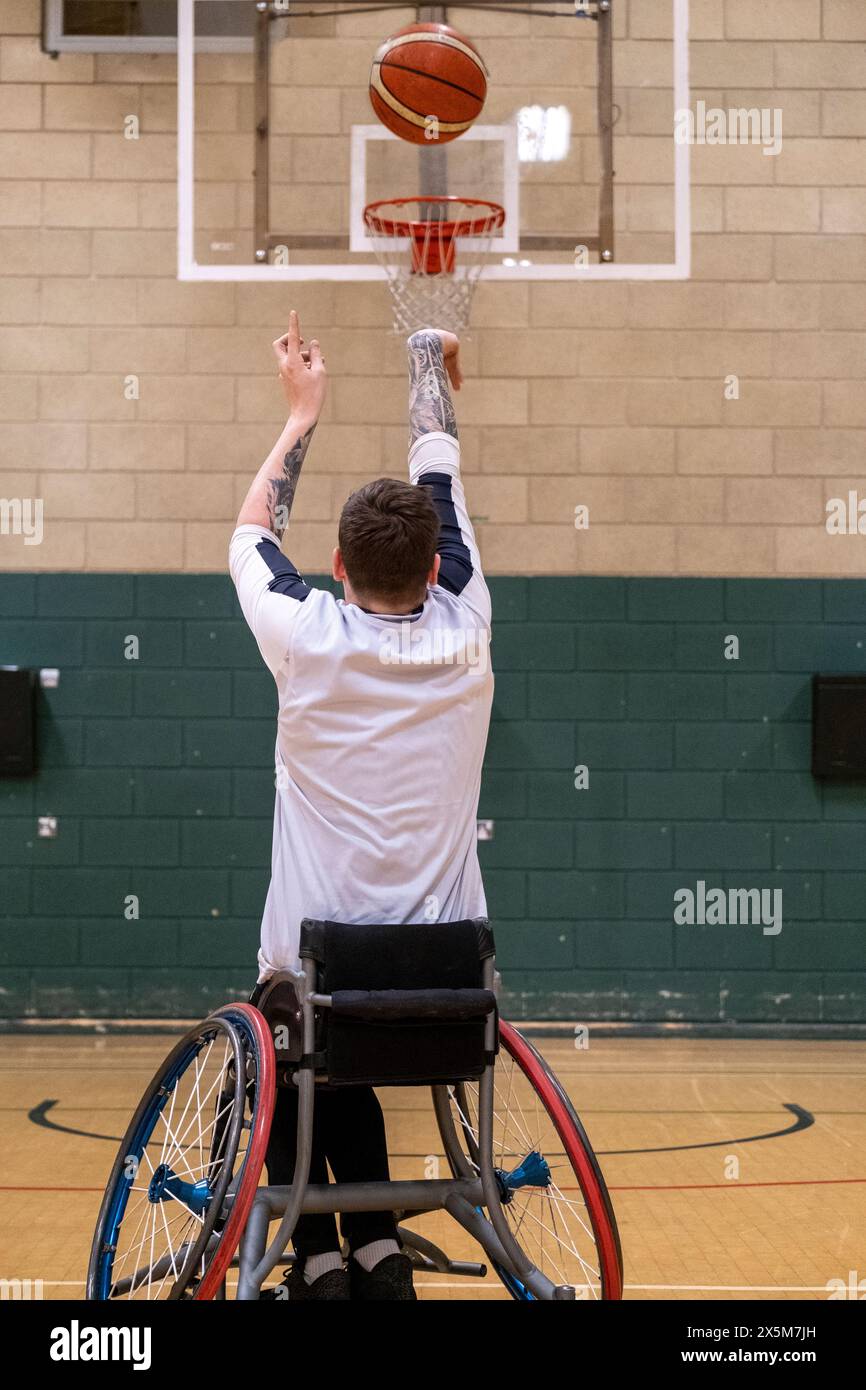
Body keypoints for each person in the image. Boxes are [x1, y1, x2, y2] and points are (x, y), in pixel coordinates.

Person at [229, 311, 493, 1301]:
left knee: (289, 1024)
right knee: (332, 1031)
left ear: (336, 571)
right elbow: (438, 466)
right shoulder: (466, 622)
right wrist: (427, 352)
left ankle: (319, 1254)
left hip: (314, 989)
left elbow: (254, 531)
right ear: (434, 571)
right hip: (445, 992)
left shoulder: (303, 631)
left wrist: (303, 411)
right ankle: (370, 1248)